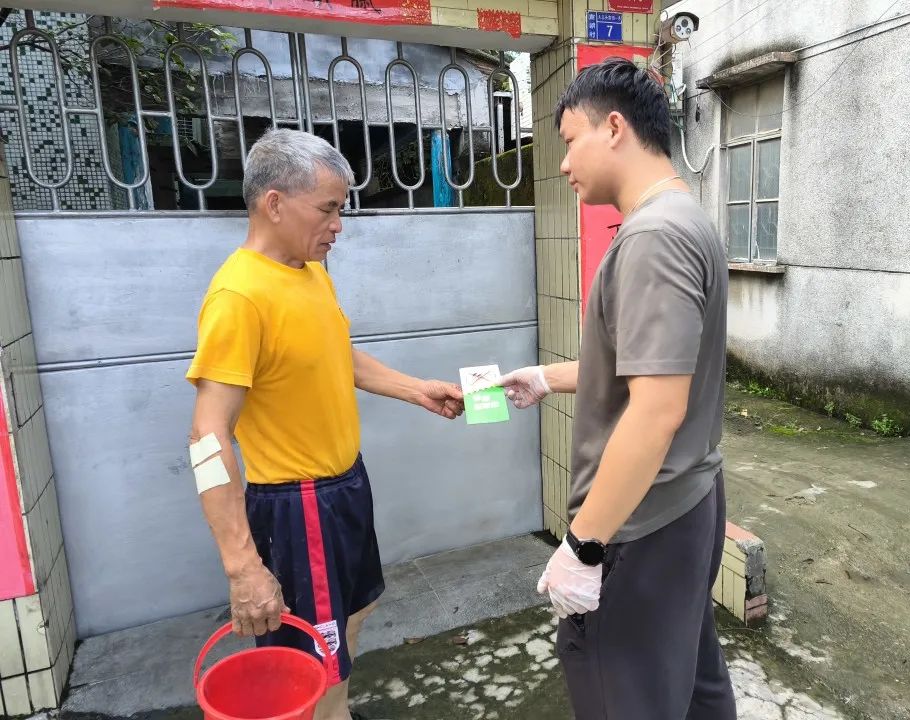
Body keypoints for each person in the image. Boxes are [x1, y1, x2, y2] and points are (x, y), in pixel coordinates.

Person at [185, 128, 463, 720]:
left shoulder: (309, 272)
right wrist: (243, 566)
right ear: (275, 204)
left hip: (344, 487)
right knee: (310, 658)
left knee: (351, 619)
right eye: (328, 209)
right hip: (298, 506)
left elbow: (336, 354)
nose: (339, 225)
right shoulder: (239, 296)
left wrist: (417, 389)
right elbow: (207, 437)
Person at [498, 57, 737, 719]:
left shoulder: (654, 236)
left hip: (644, 519)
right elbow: (654, 369)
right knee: (691, 683)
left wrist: (583, 545)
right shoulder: (685, 218)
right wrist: (546, 377)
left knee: (621, 691)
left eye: (569, 140)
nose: (564, 163)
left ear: (613, 127)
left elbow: (656, 411)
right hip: (686, 500)